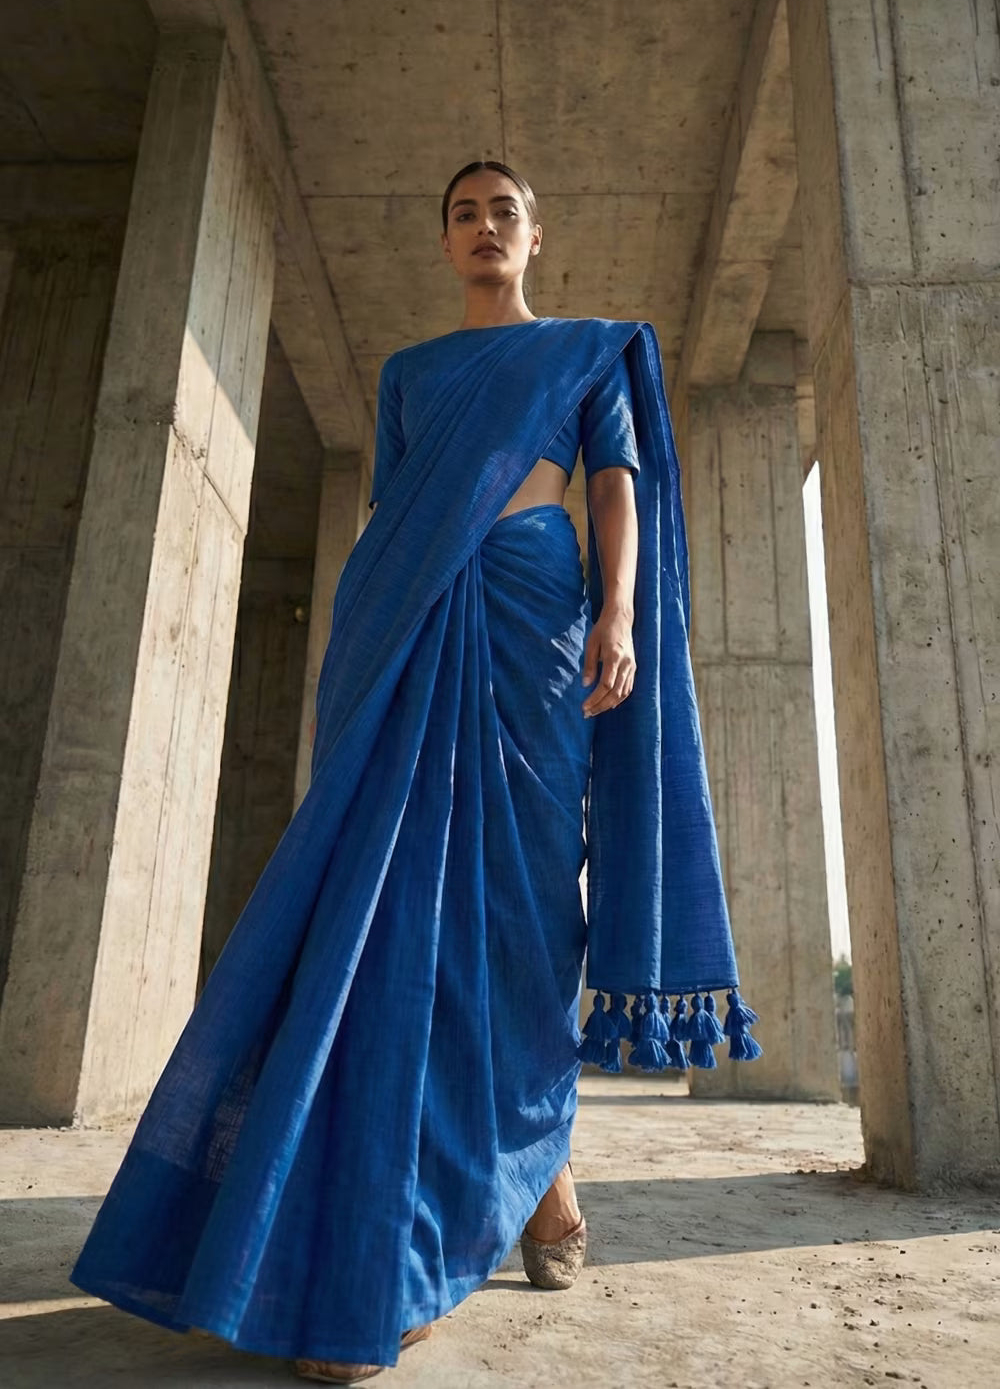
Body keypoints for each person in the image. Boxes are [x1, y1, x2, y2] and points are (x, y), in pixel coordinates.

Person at [70, 160, 759, 1384]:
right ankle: (399, 1255)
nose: (484, 227)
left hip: (536, 634)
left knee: (522, 929)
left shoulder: (585, 356)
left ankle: (535, 1174)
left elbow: (618, 483)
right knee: (392, 936)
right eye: (462, 213)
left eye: (504, 210)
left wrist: (620, 613)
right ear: (443, 242)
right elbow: (398, 518)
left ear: (536, 234)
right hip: (404, 637)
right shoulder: (408, 376)